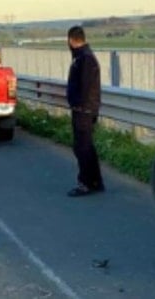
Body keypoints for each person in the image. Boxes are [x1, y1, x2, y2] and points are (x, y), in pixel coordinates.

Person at [65, 25, 104, 196]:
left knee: (82, 147)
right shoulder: (82, 57)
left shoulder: (85, 59)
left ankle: (86, 183)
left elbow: (86, 86)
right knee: (86, 146)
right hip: (84, 108)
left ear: (71, 40)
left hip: (84, 110)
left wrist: (79, 104)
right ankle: (95, 181)